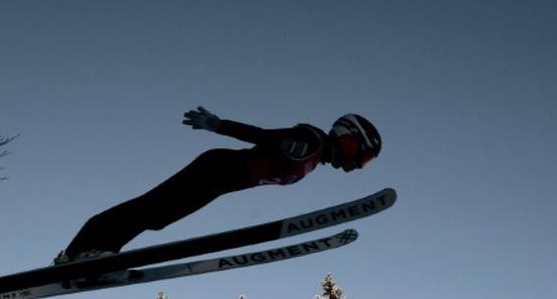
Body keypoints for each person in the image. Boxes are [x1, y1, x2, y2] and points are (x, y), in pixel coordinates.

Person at [54, 107, 381, 263]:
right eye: (360, 155)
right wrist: (219, 125)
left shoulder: (314, 159)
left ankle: (96, 254)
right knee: (151, 209)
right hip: (217, 169)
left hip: (220, 180)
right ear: (348, 139)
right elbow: (264, 137)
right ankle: (82, 249)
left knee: (156, 217)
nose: (356, 165)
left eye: (364, 162)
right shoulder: (311, 142)